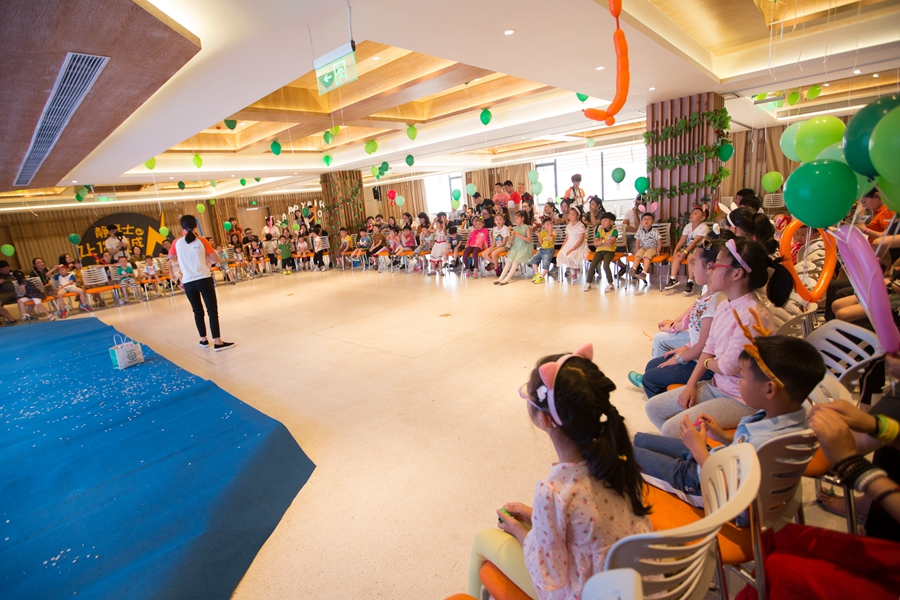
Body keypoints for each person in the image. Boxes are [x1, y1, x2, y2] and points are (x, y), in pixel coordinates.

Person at [467, 344, 651, 599]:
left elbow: (549, 573)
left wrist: (519, 530)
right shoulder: (617, 458)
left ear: (544, 419)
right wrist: (536, 516)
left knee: (482, 540)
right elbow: (587, 523)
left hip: (589, 591)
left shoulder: (553, 492)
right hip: (634, 583)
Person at [635, 332, 825, 507]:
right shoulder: (787, 417)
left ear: (769, 389)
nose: (739, 382)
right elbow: (746, 448)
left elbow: (727, 488)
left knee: (629, 456)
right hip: (719, 460)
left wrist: (698, 449)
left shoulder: (769, 443)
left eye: (743, 377)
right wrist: (721, 436)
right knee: (639, 440)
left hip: (704, 485)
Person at [644, 238, 794, 436]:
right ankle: (692, 449)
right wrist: (691, 385)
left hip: (741, 399)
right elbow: (709, 348)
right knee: (653, 408)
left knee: (672, 429)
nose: (711, 270)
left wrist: (707, 362)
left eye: (716, 265)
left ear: (737, 274)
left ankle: (698, 452)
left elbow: (726, 366)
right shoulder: (725, 305)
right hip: (717, 385)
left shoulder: (750, 315)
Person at [629, 239, 726, 396]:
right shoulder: (708, 294)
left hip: (702, 364)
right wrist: (684, 346)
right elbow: (697, 330)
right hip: (695, 353)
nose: (691, 268)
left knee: (650, 378)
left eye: (695, 263)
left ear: (710, 267)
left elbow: (704, 346)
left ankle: (668, 399)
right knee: (652, 366)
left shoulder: (716, 301)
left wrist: (679, 358)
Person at [168, 215, 234, 351]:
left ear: (181, 227)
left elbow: (170, 257)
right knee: (212, 311)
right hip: (204, 279)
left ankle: (204, 340)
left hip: (188, 282)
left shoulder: (176, 242)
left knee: (197, 311)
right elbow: (216, 258)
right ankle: (217, 341)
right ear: (196, 226)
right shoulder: (202, 240)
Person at [664, 205, 710, 292]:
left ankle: (690, 282)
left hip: (699, 247)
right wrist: (676, 250)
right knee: (677, 256)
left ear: (702, 218)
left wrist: (685, 252)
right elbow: (682, 240)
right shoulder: (688, 226)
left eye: (695, 213)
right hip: (688, 247)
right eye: (692, 213)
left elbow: (695, 242)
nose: (692, 214)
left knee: (690, 258)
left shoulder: (704, 227)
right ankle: (673, 279)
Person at [495, 211, 533, 285]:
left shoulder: (527, 227)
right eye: (515, 219)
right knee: (509, 261)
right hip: (516, 247)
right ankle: (500, 278)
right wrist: (512, 236)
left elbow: (529, 240)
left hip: (524, 247)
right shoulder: (515, 228)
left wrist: (519, 235)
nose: (516, 220)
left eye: (517, 218)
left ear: (522, 218)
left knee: (515, 262)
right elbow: (511, 240)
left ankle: (507, 279)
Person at [584, 212, 617, 292]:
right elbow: (595, 243)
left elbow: (611, 242)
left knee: (606, 265)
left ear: (611, 222)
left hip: (609, 251)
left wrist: (601, 242)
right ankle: (588, 283)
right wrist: (604, 241)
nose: (603, 223)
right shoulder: (600, 231)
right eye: (602, 221)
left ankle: (610, 284)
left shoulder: (614, 231)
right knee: (592, 265)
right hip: (599, 251)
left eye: (605, 221)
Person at [557, 207, 588, 282]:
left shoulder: (580, 225)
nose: (570, 216)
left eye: (573, 214)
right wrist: (562, 248)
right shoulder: (568, 226)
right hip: (569, 243)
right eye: (569, 214)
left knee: (571, 255)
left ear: (578, 216)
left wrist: (572, 249)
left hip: (578, 244)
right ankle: (574, 269)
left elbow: (580, 239)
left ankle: (574, 270)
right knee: (561, 255)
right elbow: (566, 238)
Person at [630, 212, 661, 283]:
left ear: (652, 222)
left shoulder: (655, 231)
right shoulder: (640, 231)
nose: (646, 220)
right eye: (645, 219)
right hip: (643, 248)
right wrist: (638, 250)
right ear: (641, 222)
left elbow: (659, 242)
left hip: (652, 248)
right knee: (637, 256)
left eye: (649, 219)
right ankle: (634, 269)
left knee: (646, 257)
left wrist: (658, 251)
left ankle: (644, 273)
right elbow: (637, 242)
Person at [530, 219, 555, 285]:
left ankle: (542, 277)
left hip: (549, 250)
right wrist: (539, 236)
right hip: (542, 249)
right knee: (533, 260)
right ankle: (537, 274)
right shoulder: (543, 232)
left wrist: (550, 231)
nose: (550, 225)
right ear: (543, 226)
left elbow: (551, 240)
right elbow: (541, 242)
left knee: (546, 264)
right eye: (547, 224)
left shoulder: (554, 232)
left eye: (551, 223)